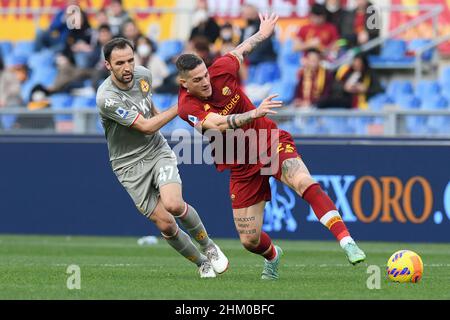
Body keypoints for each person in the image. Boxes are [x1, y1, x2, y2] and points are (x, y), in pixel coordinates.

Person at [176, 13, 366, 280]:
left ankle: (347, 241)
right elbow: (217, 125)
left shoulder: (221, 69)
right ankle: (273, 256)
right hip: (238, 161)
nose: (205, 82)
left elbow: (241, 50)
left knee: (302, 180)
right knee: (249, 240)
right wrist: (253, 114)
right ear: (184, 83)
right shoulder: (187, 106)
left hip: (267, 140)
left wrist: (262, 34)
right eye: (197, 80)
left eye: (205, 75)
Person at [95, 38, 228, 278]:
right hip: (128, 166)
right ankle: (201, 263)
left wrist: (187, 117)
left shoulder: (143, 75)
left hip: (156, 150)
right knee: (166, 224)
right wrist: (182, 105)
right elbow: (145, 126)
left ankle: (209, 247)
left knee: (174, 204)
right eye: (120, 63)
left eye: (130, 60)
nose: (127, 68)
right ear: (108, 65)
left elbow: (149, 108)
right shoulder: (107, 98)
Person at [317, 53, 383, 109]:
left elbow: (379, 90)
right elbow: (334, 84)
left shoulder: (370, 74)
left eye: (359, 63)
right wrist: (345, 87)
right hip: (345, 99)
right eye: (355, 63)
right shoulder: (347, 72)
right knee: (324, 101)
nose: (357, 65)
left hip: (362, 102)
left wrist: (365, 89)